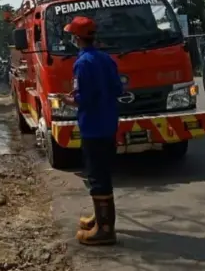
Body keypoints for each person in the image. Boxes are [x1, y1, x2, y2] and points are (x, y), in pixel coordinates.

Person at [62, 16, 122, 246]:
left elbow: (82, 99)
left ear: (77, 38)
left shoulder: (83, 63)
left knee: (97, 177)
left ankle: (105, 230)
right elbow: (116, 88)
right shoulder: (106, 59)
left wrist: (67, 101)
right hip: (108, 123)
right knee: (103, 172)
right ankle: (100, 219)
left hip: (93, 127)